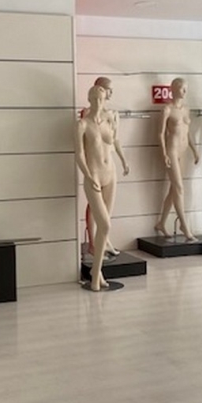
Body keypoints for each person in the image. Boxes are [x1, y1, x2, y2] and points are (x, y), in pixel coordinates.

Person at [75, 84, 119, 291]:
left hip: (111, 174)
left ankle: (97, 271)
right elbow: (79, 154)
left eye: (102, 99)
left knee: (104, 227)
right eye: (95, 99)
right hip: (93, 176)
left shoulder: (109, 120)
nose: (99, 103)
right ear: (89, 100)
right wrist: (87, 174)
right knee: (105, 225)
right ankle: (95, 273)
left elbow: (114, 144)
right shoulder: (82, 125)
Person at [82, 77, 129, 256]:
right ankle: (93, 243)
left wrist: (123, 160)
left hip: (109, 168)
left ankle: (104, 240)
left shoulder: (112, 115)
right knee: (94, 206)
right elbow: (84, 146)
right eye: (107, 89)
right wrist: (87, 173)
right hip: (94, 169)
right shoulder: (86, 115)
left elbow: (115, 140)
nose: (110, 93)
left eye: (110, 90)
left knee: (107, 211)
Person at [155, 77, 200, 240]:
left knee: (174, 189)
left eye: (186, 88)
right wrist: (164, 153)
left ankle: (161, 223)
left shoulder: (186, 109)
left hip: (184, 150)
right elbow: (160, 134)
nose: (185, 91)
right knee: (179, 188)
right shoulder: (167, 109)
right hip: (172, 150)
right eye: (182, 88)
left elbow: (188, 133)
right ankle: (184, 226)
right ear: (173, 89)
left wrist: (195, 150)